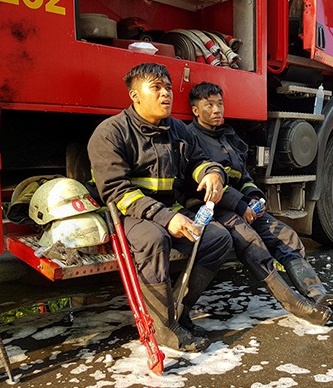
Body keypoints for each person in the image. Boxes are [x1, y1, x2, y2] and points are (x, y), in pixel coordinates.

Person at [87, 63, 233, 352]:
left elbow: (199, 161)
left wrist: (212, 173)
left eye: (168, 87)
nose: (166, 93)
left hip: (169, 210)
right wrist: (167, 219)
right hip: (129, 213)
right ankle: (165, 329)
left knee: (218, 239)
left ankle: (176, 312)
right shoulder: (110, 132)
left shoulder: (178, 129)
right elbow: (116, 191)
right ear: (134, 95)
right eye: (156, 87)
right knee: (154, 240)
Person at [184, 82, 333, 324]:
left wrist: (255, 197)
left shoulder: (228, 136)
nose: (216, 110)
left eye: (220, 104)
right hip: (211, 207)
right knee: (251, 241)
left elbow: (243, 177)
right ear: (195, 110)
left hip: (241, 205)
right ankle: (295, 304)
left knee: (285, 235)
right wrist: (240, 205)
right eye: (209, 105)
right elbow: (200, 185)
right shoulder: (190, 138)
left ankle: (318, 295)